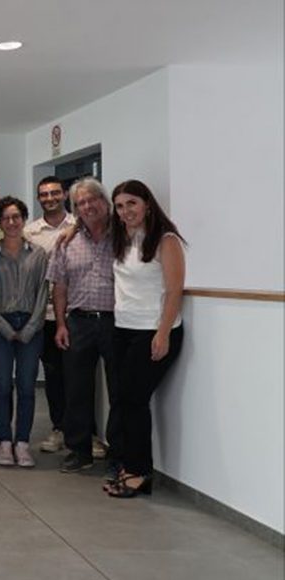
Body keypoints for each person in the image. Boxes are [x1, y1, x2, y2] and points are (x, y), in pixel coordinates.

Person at [103, 180, 185, 498]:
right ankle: (129, 467)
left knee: (134, 401)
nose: (126, 211)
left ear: (147, 204)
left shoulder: (166, 240)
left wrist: (163, 333)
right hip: (123, 329)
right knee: (122, 401)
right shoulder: (122, 238)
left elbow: (174, 290)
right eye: (120, 206)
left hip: (154, 331)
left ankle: (139, 472)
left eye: (132, 204)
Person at [46, 177, 121, 475]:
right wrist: (60, 324)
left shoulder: (124, 235)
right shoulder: (67, 242)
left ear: (105, 201)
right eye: (80, 203)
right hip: (78, 321)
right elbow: (59, 286)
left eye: (92, 200)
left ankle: (119, 453)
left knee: (119, 390)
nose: (87, 206)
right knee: (76, 389)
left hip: (117, 322)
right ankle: (79, 450)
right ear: (75, 209)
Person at [0, 197, 49, 468]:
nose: (11, 222)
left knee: (26, 386)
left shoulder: (38, 254)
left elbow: (43, 292)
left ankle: (22, 441)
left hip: (31, 325)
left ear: (23, 219)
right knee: (1, 385)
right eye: (5, 218)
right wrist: (2, 326)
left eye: (16, 217)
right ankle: (4, 441)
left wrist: (31, 327)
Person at [24, 176, 77, 454]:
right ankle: (59, 428)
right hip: (45, 315)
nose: (49, 198)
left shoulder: (80, 225)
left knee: (80, 376)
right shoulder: (30, 232)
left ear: (65, 194)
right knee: (54, 375)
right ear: (38, 198)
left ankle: (86, 432)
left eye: (55, 193)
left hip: (76, 312)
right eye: (44, 194)